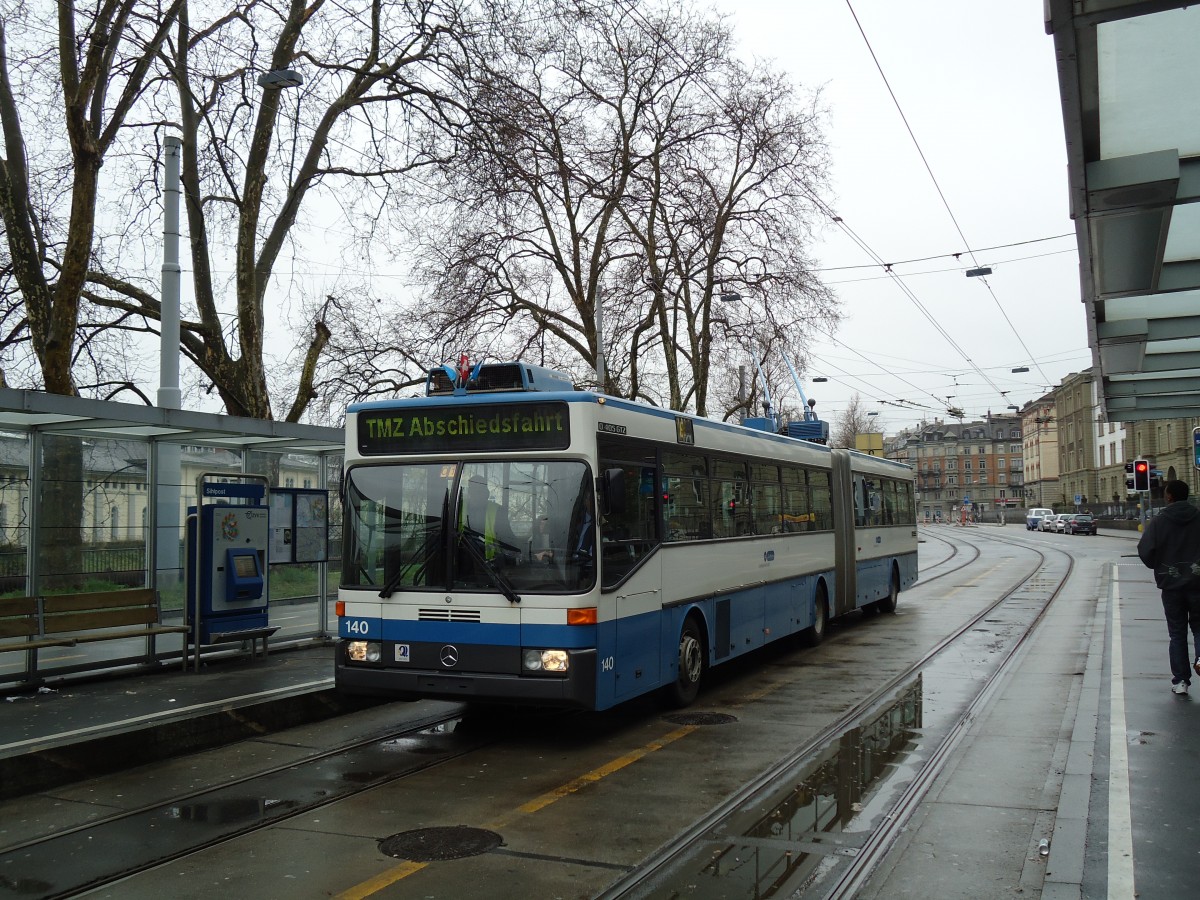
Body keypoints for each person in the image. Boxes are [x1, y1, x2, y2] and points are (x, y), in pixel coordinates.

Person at [1137, 479, 1200, 696]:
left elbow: (1145, 551)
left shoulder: (1159, 521)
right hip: (1198, 582)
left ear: (1170, 496)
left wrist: (1160, 565)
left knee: (1177, 633)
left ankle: (1181, 680)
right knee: (1199, 628)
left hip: (1172, 585)